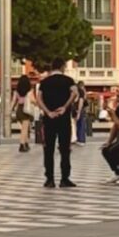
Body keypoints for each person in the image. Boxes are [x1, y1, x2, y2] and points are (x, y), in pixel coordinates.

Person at [37, 58, 78, 189]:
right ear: (62, 67)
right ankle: (65, 179)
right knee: (64, 149)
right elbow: (75, 93)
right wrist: (65, 106)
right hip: (63, 118)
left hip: (49, 119)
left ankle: (49, 179)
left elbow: (38, 98)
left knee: (48, 149)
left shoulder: (44, 82)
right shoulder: (68, 80)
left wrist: (48, 111)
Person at [11, 75, 35, 152]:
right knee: (24, 129)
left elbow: (13, 102)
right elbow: (33, 100)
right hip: (26, 110)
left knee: (24, 128)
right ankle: (22, 144)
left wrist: (10, 110)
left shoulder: (16, 91)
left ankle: (26, 143)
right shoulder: (30, 91)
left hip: (19, 109)